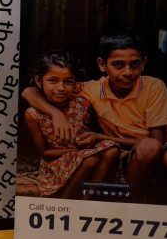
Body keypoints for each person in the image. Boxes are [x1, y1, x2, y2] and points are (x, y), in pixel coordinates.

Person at [22, 31, 167, 202]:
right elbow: (29, 92)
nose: (128, 72)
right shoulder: (91, 89)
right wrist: (55, 113)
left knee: (156, 150)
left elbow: (156, 142)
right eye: (118, 65)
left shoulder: (154, 86)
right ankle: (131, 200)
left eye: (135, 64)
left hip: (157, 149)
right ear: (102, 65)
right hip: (122, 154)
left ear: (143, 63)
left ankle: (132, 200)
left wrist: (100, 138)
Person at [23, 52, 120, 199]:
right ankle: (66, 201)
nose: (61, 87)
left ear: (75, 83)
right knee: (90, 159)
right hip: (57, 162)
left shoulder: (82, 103)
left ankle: (89, 199)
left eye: (68, 82)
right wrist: (77, 151)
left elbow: (94, 132)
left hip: (85, 153)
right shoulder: (33, 114)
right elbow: (44, 152)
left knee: (112, 149)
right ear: (39, 81)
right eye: (53, 81)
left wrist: (87, 145)